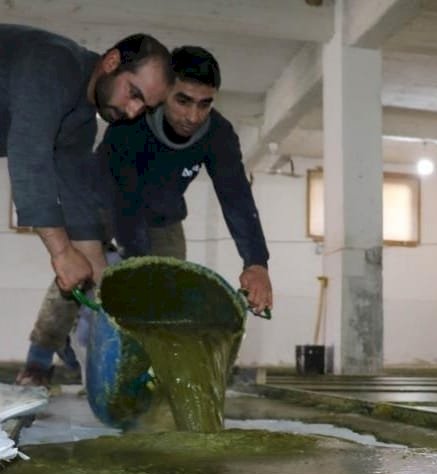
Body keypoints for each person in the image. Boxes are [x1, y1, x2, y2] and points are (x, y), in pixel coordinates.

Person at [16, 45, 273, 386]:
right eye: (183, 100)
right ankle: (39, 359)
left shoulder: (218, 134)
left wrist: (256, 262)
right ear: (164, 93)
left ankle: (150, 369)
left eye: (204, 103)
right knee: (79, 270)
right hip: (103, 201)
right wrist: (130, 278)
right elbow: (127, 209)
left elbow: (236, 196)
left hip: (163, 214)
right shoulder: (133, 125)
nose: (194, 116)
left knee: (170, 286)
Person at [1, 24, 173, 386]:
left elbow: (76, 193)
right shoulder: (54, 64)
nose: (132, 111)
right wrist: (62, 252)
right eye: (133, 93)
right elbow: (29, 157)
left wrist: (102, 281)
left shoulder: (80, 120)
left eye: (144, 106)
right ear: (111, 62)